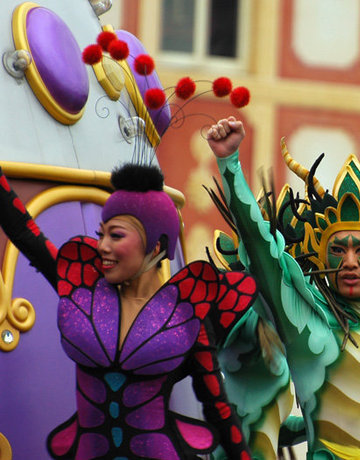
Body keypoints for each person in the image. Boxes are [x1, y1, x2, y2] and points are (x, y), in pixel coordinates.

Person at [205, 117, 360, 459]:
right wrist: (229, 164)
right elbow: (260, 250)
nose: (350, 262)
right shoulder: (306, 326)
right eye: (338, 250)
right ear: (321, 254)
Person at [0, 162, 256, 459]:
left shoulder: (186, 316)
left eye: (117, 236)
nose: (103, 246)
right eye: (101, 234)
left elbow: (218, 408)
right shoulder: (82, 291)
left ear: (156, 246)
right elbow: (23, 230)